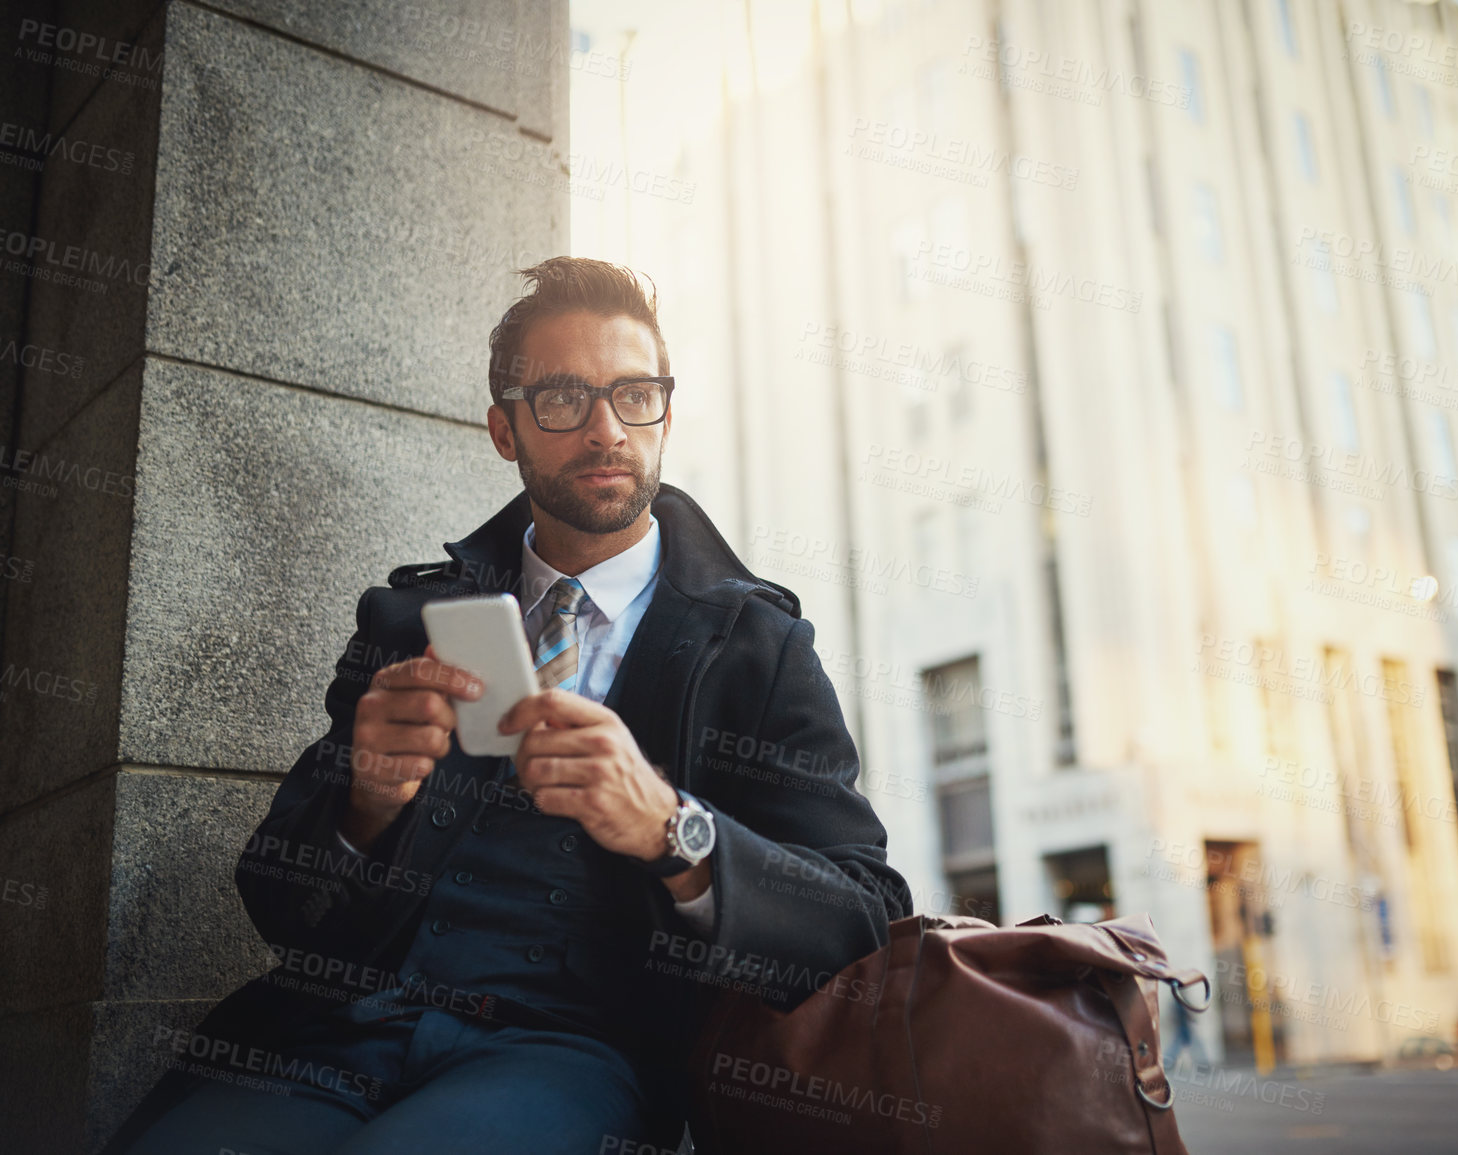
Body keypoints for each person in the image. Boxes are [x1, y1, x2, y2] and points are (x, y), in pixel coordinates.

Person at [108, 257, 912, 1154]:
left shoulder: (757, 649)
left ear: (666, 414)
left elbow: (859, 918)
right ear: (505, 428)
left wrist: (674, 830)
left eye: (634, 394)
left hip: (573, 1053)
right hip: (330, 1034)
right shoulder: (410, 619)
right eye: (564, 398)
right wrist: (365, 806)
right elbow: (275, 899)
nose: (607, 429)